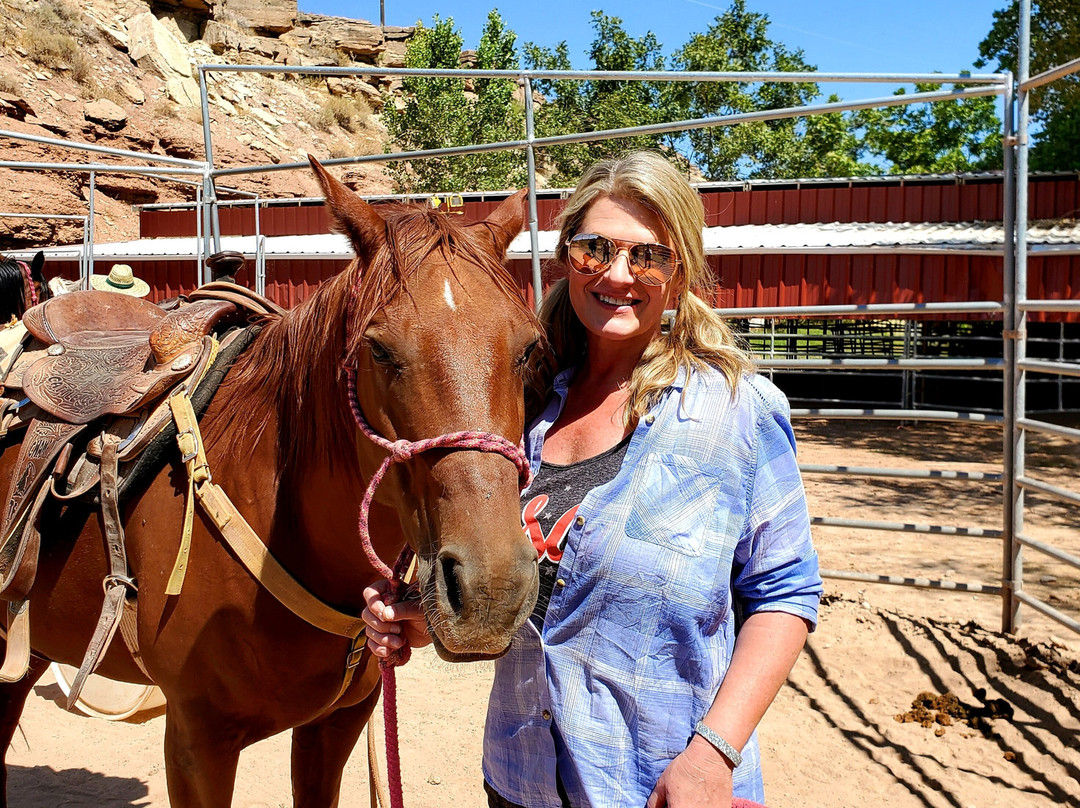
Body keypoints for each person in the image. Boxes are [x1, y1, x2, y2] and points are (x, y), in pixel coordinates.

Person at [362, 151, 822, 808]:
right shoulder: (522, 410)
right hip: (520, 778)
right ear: (565, 257)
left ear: (681, 270)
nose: (618, 273)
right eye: (594, 249)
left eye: (648, 256)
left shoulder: (737, 412)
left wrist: (714, 751)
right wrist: (420, 616)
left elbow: (786, 594)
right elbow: (535, 588)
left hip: (664, 786)